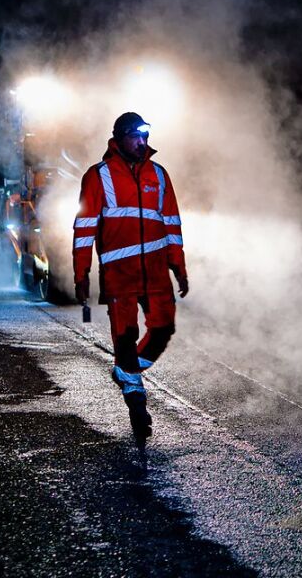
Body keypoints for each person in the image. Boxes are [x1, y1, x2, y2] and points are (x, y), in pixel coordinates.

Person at [72, 111, 189, 444]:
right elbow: (84, 229)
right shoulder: (99, 176)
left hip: (155, 273)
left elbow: (172, 225)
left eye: (146, 137)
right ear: (120, 138)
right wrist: (82, 272)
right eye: (136, 137)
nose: (143, 143)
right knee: (125, 336)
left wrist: (178, 265)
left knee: (163, 328)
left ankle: (125, 371)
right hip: (120, 275)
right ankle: (137, 400)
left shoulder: (159, 176)